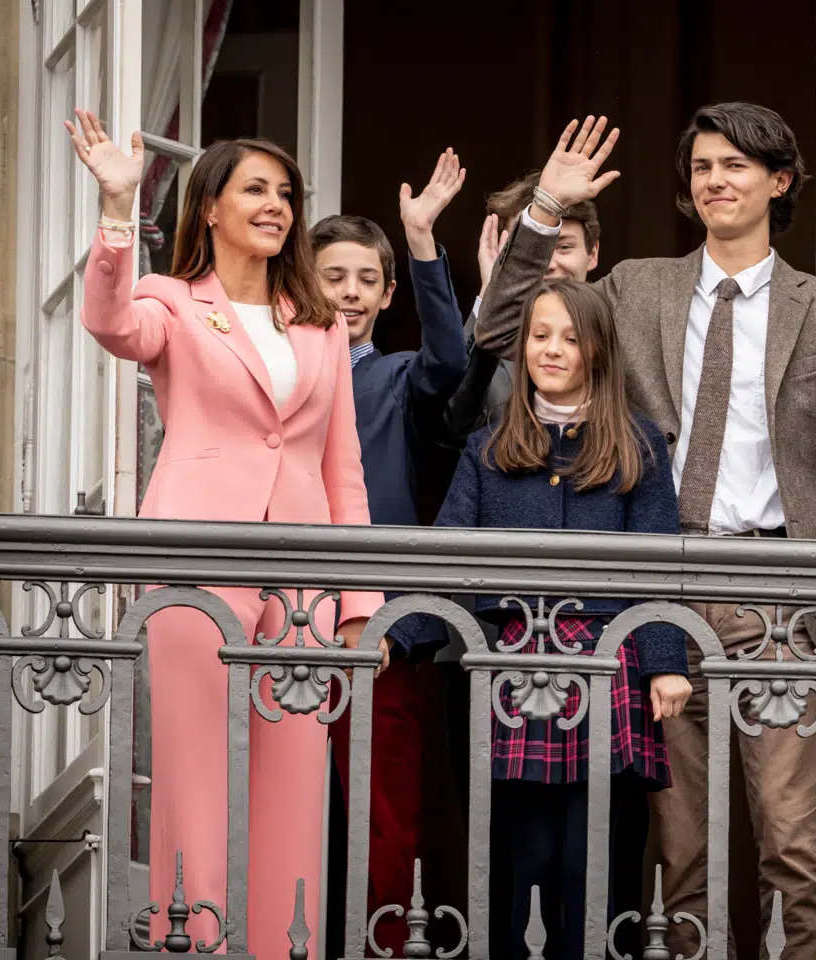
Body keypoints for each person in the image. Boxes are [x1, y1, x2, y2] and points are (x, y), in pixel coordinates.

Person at [474, 105, 816, 959]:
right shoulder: (637, 288)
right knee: (681, 852)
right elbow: (499, 329)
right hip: (661, 597)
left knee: (794, 844)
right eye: (703, 166)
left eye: (736, 166)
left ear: (779, 182)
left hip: (784, 597)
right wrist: (545, 211)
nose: (715, 181)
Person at [66, 109, 381, 960]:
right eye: (255, 190)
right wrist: (118, 209)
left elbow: (342, 469)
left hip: (303, 579)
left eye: (286, 193)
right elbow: (110, 323)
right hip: (194, 566)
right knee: (195, 778)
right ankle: (194, 944)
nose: (276, 205)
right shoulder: (172, 302)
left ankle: (286, 949)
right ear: (209, 207)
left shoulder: (320, 322)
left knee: (294, 783)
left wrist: (359, 603)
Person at [392, 278, 692, 959]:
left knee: (594, 861)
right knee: (519, 856)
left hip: (610, 665)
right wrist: (397, 632)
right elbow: (444, 556)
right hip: (514, 669)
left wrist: (664, 663)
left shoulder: (639, 444)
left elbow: (658, 565)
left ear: (598, 351)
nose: (551, 350)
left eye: (570, 338)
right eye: (539, 335)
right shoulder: (487, 447)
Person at [310, 149, 469, 950]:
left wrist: (422, 242)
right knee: (283, 807)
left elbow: (452, 363)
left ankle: (385, 946)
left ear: (387, 294)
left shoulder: (399, 376)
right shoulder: (277, 377)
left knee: (385, 815)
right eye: (333, 277)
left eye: (366, 279)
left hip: (384, 632)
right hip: (282, 618)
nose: (348, 292)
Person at [444, 174, 603, 449]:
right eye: (531, 251)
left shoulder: (616, 331)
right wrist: (492, 292)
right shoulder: (491, 347)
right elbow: (451, 427)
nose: (548, 263)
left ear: (593, 254)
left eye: (564, 247)